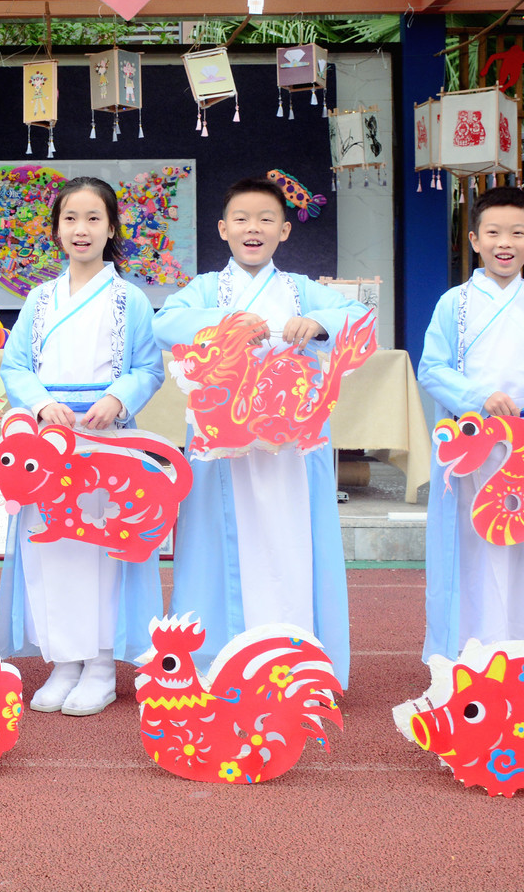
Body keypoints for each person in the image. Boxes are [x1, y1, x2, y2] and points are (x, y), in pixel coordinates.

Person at [152, 177, 366, 684]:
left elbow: (357, 316)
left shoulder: (301, 290)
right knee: (212, 544)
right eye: (242, 219)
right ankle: (214, 661)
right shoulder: (207, 289)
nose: (254, 228)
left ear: (284, 231)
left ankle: (299, 661)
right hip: (222, 441)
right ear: (222, 229)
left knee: (293, 543)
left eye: (266, 219)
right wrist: (226, 322)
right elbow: (164, 324)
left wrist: (317, 322)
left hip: (291, 443)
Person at [0, 177, 166, 717]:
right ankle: (64, 661)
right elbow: (15, 366)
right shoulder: (39, 298)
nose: (81, 229)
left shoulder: (130, 299)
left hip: (106, 439)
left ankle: (101, 666)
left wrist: (118, 399)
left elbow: (149, 368)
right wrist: (42, 404)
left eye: (94, 218)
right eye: (70, 218)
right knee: (52, 546)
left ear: (111, 228)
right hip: (49, 442)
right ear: (56, 229)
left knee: (103, 546)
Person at [418, 186, 524, 661]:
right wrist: (478, 398)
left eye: (517, 233)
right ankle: (472, 651)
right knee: (477, 545)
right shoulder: (454, 303)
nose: (504, 243)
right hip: (476, 447)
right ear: (474, 240)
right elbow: (432, 368)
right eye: (493, 232)